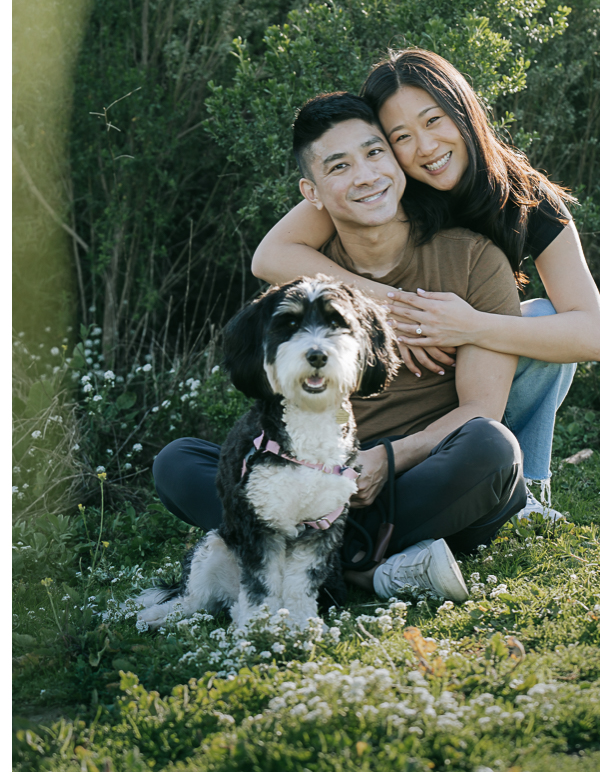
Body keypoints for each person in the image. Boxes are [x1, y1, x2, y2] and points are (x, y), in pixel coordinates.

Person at [153, 92, 529, 602]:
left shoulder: (473, 260)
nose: (367, 176)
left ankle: (329, 568)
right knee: (178, 462)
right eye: (340, 166)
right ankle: (371, 569)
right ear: (313, 191)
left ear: (396, 160)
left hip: (421, 478)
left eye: (375, 153)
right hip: (319, 481)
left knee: (492, 448)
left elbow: (481, 409)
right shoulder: (307, 284)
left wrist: (387, 459)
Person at [252, 50, 600, 517]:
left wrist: (468, 326)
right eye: (401, 136)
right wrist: (395, 309)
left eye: (434, 121)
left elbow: (591, 334)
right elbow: (272, 256)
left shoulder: (526, 199)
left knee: (542, 319)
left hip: (476, 354)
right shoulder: (385, 182)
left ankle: (525, 485)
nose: (425, 148)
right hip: (412, 369)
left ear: (463, 112)